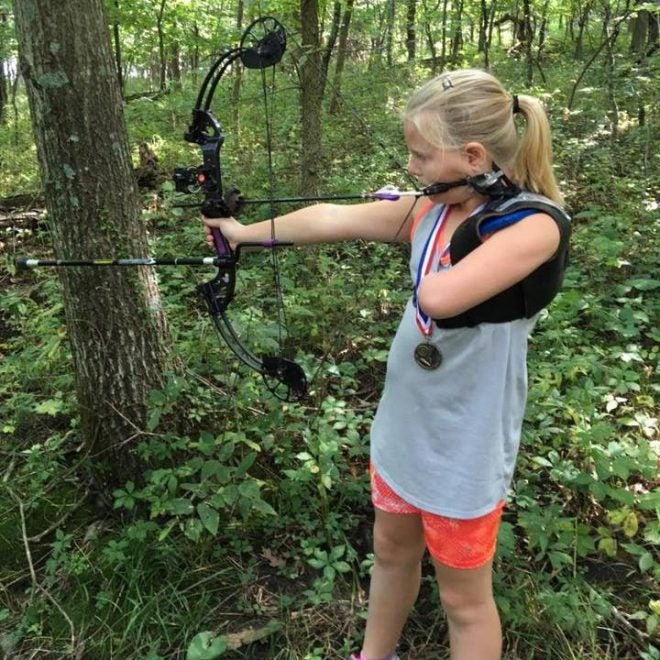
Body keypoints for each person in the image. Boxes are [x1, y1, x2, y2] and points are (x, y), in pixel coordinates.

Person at [203, 68, 570, 660]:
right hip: (405, 428)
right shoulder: (437, 206)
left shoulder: (533, 225)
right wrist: (243, 233)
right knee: (392, 553)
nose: (412, 169)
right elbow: (331, 216)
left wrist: (425, 216)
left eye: (422, 156)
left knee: (464, 601)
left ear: (473, 156)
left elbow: (441, 297)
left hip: (465, 446)